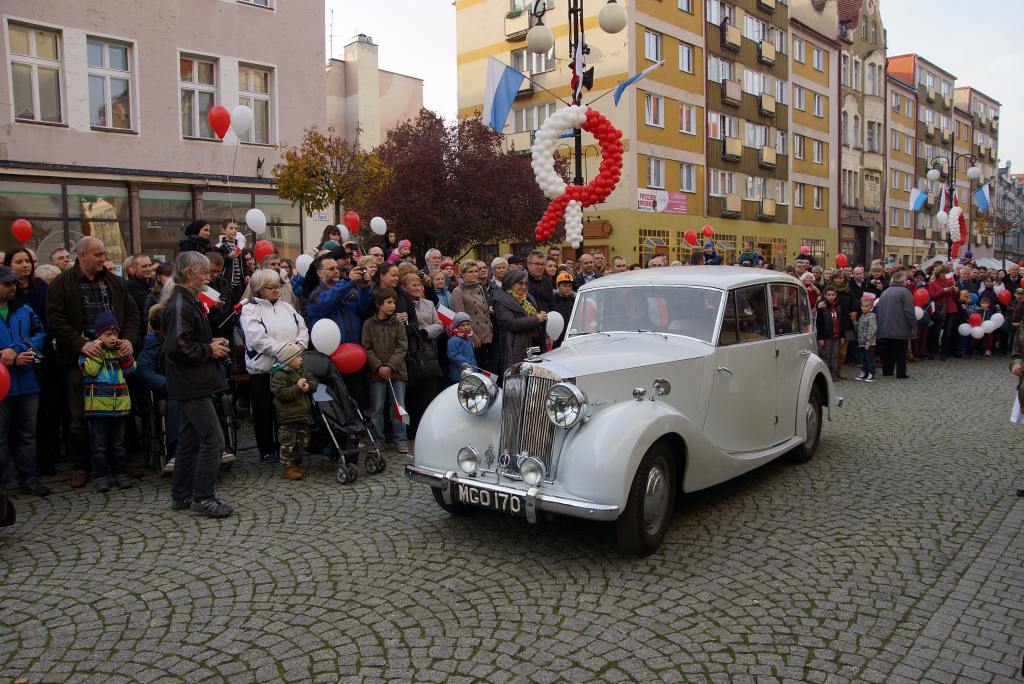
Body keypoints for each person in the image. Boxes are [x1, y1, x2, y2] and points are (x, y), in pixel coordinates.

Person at [46, 237, 140, 488]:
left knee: (121, 409)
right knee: (79, 414)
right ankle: (82, 465)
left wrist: (129, 339)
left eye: (104, 254)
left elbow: (132, 314)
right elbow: (55, 320)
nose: (102, 259)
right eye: (98, 255)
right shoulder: (62, 284)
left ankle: (121, 462)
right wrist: (80, 344)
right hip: (80, 357)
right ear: (82, 255)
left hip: (115, 353)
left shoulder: (114, 282)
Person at [162, 251, 233, 518]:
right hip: (191, 382)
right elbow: (178, 346)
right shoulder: (180, 303)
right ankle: (203, 496)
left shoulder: (186, 301)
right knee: (213, 440)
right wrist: (208, 350)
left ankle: (181, 494)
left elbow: (185, 340)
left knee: (190, 440)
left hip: (194, 380)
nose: (208, 277)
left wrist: (211, 344)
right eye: (204, 272)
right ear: (190, 273)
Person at [241, 269, 309, 464]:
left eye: (277, 286)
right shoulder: (250, 310)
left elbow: (302, 329)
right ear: (260, 289)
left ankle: (288, 446)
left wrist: (300, 345)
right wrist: (287, 351)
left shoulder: (287, 307)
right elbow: (258, 339)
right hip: (264, 369)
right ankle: (266, 448)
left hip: (289, 367)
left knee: (288, 409)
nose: (276, 290)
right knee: (264, 411)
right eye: (271, 287)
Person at [0, 265, 49, 496]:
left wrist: (19, 350)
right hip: (2, 385)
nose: (12, 288)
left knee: (27, 434)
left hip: (27, 382)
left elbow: (40, 333)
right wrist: (5, 356)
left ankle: (28, 479)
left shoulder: (25, 309)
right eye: (6, 284)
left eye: (13, 284)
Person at [79, 311, 137, 493]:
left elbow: (131, 369)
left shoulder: (117, 351)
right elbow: (90, 371)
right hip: (97, 407)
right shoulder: (89, 353)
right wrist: (96, 349)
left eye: (115, 334)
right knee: (99, 445)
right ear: (98, 336)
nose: (113, 338)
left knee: (118, 444)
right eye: (108, 335)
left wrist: (123, 352)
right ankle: (101, 476)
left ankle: (120, 473)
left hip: (118, 405)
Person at [362, 287, 410, 453]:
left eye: (394, 302)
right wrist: (378, 367)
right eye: (389, 302)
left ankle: (401, 438)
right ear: (378, 304)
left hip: (396, 372)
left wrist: (390, 366)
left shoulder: (398, 323)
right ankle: (377, 439)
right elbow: (366, 347)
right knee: (376, 407)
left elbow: (402, 346)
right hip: (376, 374)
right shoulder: (369, 324)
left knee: (398, 406)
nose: (392, 306)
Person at [270, 342, 318, 480]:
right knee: (288, 442)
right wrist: (297, 388)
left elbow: (313, 379)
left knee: (302, 441)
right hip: (288, 416)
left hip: (302, 415)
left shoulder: (301, 371)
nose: (301, 359)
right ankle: (288, 467)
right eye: (298, 357)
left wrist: (308, 386)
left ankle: (296, 463)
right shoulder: (279, 376)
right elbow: (282, 394)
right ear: (288, 360)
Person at [493, 269, 546, 372]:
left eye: (525, 283)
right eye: (520, 283)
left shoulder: (527, 297)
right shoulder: (501, 300)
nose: (524, 287)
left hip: (532, 343)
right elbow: (511, 323)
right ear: (510, 283)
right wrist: (536, 319)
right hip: (513, 345)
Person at [451, 259, 494, 372]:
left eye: (476, 271)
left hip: (486, 331)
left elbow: (484, 309)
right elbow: (459, 318)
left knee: (488, 367)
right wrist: (472, 335)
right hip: (472, 335)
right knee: (477, 368)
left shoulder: (479, 287)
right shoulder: (458, 291)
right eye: (470, 272)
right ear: (463, 274)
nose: (475, 274)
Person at [874, 270, 915, 379]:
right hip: (900, 326)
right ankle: (901, 373)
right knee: (901, 351)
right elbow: (909, 311)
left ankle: (887, 370)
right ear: (902, 280)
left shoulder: (885, 291)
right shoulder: (905, 292)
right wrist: (913, 326)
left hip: (885, 326)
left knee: (887, 350)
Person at [927, 265, 960, 360]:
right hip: (939, 309)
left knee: (947, 332)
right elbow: (933, 296)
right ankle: (932, 351)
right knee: (935, 332)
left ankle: (944, 353)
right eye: (942, 273)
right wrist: (943, 290)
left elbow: (955, 299)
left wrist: (957, 292)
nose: (944, 275)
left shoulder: (950, 282)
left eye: (945, 273)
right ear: (938, 274)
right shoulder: (933, 283)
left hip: (950, 309)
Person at [6, 248, 48, 322]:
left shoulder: (41, 284)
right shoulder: (6, 288)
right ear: (8, 265)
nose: (25, 265)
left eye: (28, 261)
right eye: (19, 262)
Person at [815, 287, 843, 378]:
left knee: (835, 355)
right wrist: (820, 338)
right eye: (829, 295)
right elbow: (819, 323)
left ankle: (833, 374)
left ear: (836, 295)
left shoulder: (838, 306)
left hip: (837, 335)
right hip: (826, 336)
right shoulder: (822, 306)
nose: (831, 297)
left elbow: (842, 321)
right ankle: (825, 375)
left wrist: (842, 335)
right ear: (825, 295)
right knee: (825, 355)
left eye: (833, 295)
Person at [447, 312, 477, 381]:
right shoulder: (453, 340)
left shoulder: (468, 338)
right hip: (460, 373)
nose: (466, 327)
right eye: (462, 325)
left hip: (471, 371)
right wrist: (466, 362)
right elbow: (452, 355)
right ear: (457, 327)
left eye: (468, 324)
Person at [854, 294, 877, 382]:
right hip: (861, 342)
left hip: (869, 343)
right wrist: (854, 321)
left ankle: (871, 373)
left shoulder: (872, 317)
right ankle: (864, 372)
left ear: (871, 307)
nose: (864, 308)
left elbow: (872, 330)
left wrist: (868, 342)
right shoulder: (861, 316)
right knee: (862, 359)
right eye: (862, 306)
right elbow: (858, 328)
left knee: (869, 359)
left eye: (866, 306)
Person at [551, 272, 576, 347]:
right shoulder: (553, 300)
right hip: (557, 335)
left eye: (570, 286)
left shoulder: (573, 300)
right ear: (558, 286)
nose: (567, 288)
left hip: (570, 334)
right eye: (564, 286)